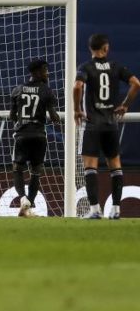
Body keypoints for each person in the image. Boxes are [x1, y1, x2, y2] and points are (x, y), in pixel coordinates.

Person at [74, 34, 140, 219]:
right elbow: (136, 83)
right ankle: (116, 210)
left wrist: (76, 109)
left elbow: (77, 87)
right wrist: (125, 104)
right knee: (115, 166)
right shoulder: (115, 67)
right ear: (106, 48)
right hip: (111, 124)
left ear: (90, 49)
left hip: (93, 124)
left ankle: (95, 210)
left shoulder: (86, 67)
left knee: (90, 167)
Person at [9, 59, 60, 217]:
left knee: (17, 168)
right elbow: (53, 117)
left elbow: (12, 116)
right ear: (36, 72)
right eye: (45, 70)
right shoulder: (46, 90)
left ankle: (23, 199)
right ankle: (28, 205)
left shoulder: (17, 90)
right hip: (39, 135)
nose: (47, 73)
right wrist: (56, 117)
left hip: (22, 135)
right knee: (36, 171)